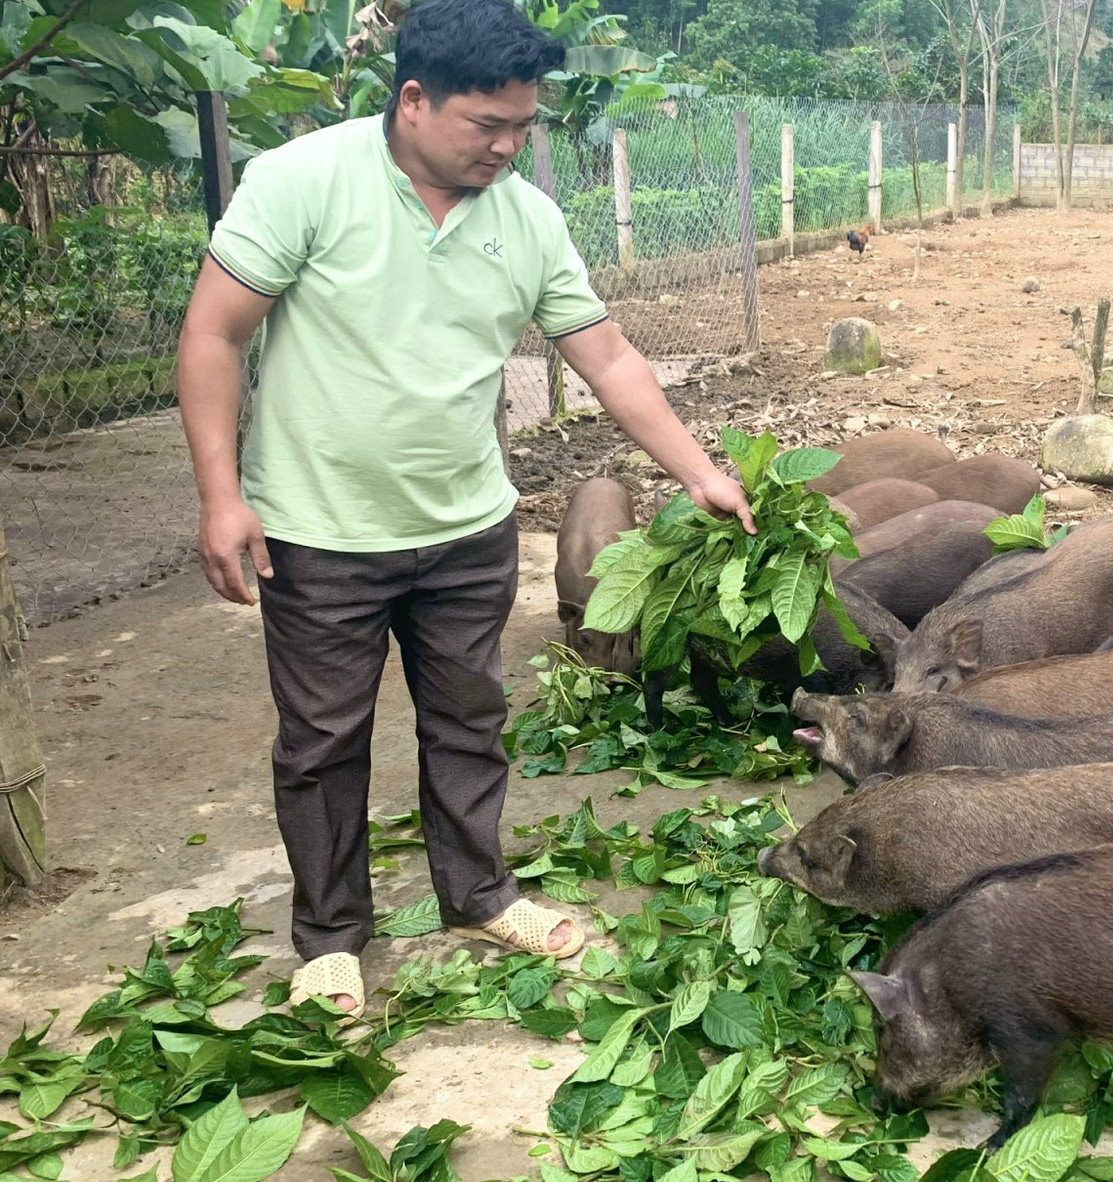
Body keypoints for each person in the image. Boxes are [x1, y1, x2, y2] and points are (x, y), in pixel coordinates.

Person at [175, 0, 753, 1017]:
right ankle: (329, 939)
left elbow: (605, 353)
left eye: (523, 125)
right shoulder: (303, 184)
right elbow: (214, 337)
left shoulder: (524, 216)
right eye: (487, 125)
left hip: (466, 530)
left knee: (469, 722)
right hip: (318, 532)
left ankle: (479, 896)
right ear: (413, 100)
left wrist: (698, 470)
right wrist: (222, 500)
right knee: (320, 742)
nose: (507, 146)